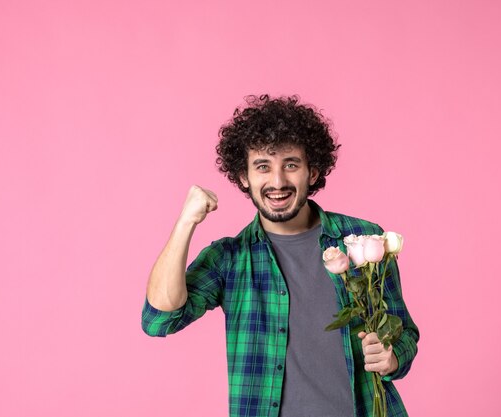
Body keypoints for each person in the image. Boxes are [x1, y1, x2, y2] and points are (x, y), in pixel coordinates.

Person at [141, 95, 419, 417]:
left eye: (291, 164)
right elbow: (159, 319)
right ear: (244, 177)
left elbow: (404, 333)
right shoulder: (230, 259)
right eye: (263, 167)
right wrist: (185, 222)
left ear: (312, 172)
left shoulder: (363, 240)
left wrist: (393, 356)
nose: (277, 182)